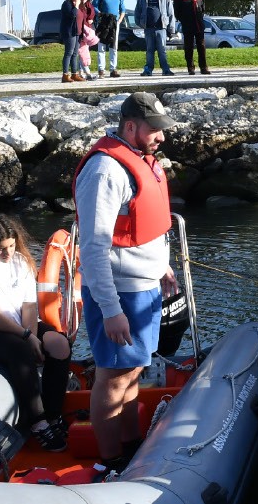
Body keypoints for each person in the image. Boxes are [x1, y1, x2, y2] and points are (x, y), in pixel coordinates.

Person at [75, 91, 190, 470]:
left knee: (133, 369)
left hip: (142, 287)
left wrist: (162, 265)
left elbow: (142, 230)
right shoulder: (105, 171)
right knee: (113, 375)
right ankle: (109, 463)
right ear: (130, 127)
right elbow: (93, 248)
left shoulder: (141, 160)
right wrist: (111, 310)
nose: (161, 137)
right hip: (120, 295)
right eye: (154, 130)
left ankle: (130, 445)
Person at [0, 214, 73, 453]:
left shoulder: (19, 261)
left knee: (60, 345)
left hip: (23, 326)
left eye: (11, 246)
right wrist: (26, 338)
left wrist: (31, 332)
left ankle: (53, 415)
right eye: (1, 249)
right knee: (19, 350)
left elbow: (29, 305)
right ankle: (38, 422)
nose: (8, 253)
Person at [135, 0, 176, 77]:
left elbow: (171, 14)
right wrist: (141, 24)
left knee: (162, 50)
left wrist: (171, 30)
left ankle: (166, 70)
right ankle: (148, 70)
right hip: (148, 29)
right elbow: (137, 13)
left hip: (161, 29)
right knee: (149, 50)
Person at [174, 0, 209, 75]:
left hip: (198, 25)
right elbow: (177, 12)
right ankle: (191, 68)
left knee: (201, 47)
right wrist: (184, 20)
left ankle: (203, 67)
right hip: (187, 26)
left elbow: (202, 9)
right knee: (188, 48)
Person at [95, 0, 127, 79]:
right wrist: (100, 15)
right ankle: (101, 70)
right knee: (102, 46)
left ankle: (113, 69)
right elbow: (93, 6)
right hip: (103, 24)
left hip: (114, 24)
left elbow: (123, 9)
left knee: (113, 47)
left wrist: (119, 21)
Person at [59, 0, 84, 83]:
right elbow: (73, 14)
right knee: (68, 53)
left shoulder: (80, 4)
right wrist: (76, 6)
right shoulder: (67, 4)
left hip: (78, 32)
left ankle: (74, 74)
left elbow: (81, 17)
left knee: (75, 54)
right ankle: (65, 75)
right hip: (69, 32)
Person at [78, 0, 98, 80]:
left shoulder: (89, 6)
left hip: (87, 33)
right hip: (79, 32)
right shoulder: (78, 5)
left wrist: (91, 19)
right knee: (83, 53)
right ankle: (88, 74)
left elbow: (91, 15)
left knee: (82, 53)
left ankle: (80, 73)